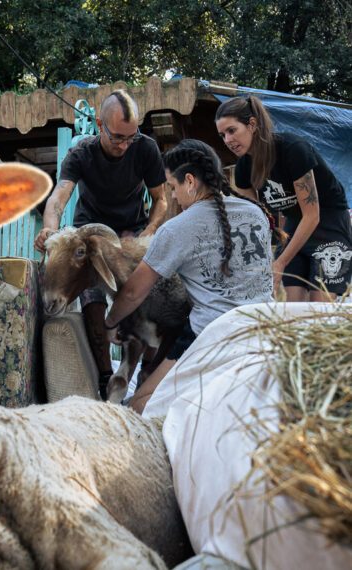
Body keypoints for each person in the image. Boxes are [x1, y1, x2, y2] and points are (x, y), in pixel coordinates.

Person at [104, 139, 284, 414]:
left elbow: (133, 292)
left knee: (141, 406)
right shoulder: (255, 212)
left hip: (212, 335)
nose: (173, 196)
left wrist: (112, 321)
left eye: (173, 187)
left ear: (190, 181)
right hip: (265, 329)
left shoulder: (175, 229)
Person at [35, 89, 167, 398]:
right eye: (117, 137)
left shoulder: (145, 149)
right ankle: (105, 378)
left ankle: (142, 381)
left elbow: (161, 199)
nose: (124, 145)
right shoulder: (81, 153)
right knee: (93, 303)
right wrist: (50, 231)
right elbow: (59, 196)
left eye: (130, 138)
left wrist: (148, 232)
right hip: (90, 233)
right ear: (99, 124)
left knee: (146, 301)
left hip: (131, 234)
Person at [215, 95, 352, 301]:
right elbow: (253, 219)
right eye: (222, 135)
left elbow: (312, 215)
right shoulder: (244, 167)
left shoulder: (292, 149)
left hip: (329, 225)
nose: (227, 140)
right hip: (294, 228)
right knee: (290, 305)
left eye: (232, 130)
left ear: (252, 124)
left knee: (318, 309)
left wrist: (280, 262)